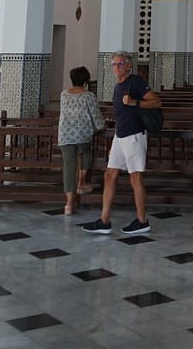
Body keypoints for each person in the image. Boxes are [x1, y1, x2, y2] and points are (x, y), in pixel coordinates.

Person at [82, 51, 162, 235]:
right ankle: (104, 221)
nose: (116, 67)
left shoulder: (136, 82)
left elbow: (157, 102)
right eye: (114, 64)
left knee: (135, 178)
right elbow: (120, 115)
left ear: (128, 66)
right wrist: (115, 142)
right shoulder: (118, 86)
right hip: (121, 136)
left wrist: (135, 102)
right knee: (109, 175)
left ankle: (142, 221)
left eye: (120, 64)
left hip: (134, 136)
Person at [57, 66, 105, 216]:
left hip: (65, 135)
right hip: (82, 134)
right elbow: (96, 116)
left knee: (69, 167)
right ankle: (82, 183)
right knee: (85, 153)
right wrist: (101, 125)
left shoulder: (64, 95)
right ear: (86, 80)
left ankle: (69, 204)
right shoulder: (89, 96)